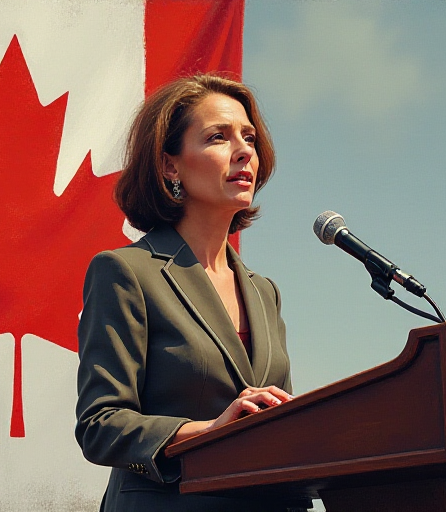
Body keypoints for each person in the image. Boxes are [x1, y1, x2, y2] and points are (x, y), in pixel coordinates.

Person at [75, 74, 306, 512]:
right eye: (218, 137)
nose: (243, 152)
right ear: (170, 166)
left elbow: (278, 421)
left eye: (249, 138)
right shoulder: (125, 272)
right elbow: (100, 425)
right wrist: (210, 429)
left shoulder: (264, 293)